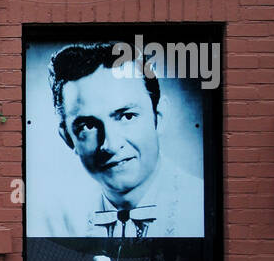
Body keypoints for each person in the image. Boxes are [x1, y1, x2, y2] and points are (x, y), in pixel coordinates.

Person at [30, 42, 204, 238]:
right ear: (67, 137)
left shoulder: (202, 207)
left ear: (159, 117)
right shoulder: (55, 224)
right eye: (88, 126)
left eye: (127, 117)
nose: (110, 145)